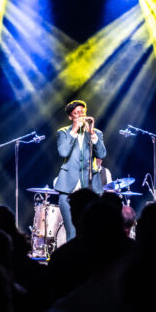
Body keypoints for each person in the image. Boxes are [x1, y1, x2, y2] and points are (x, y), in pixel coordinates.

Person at [55, 100, 107, 240]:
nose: (80, 115)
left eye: (82, 112)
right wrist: (73, 131)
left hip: (91, 187)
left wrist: (92, 133)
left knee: (92, 232)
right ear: (70, 117)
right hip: (68, 188)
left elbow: (101, 154)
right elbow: (63, 153)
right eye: (76, 113)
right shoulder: (63, 133)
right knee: (72, 233)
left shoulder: (96, 133)